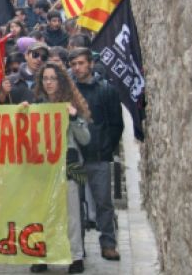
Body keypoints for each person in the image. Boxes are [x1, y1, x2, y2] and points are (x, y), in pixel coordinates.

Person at [29, 63, 91, 274]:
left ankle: (76, 257)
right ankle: (40, 255)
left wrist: (74, 117)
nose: (48, 82)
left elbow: (85, 138)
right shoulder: (37, 104)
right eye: (45, 78)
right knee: (42, 212)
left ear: (61, 81)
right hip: (43, 165)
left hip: (70, 163)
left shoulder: (71, 104)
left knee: (72, 213)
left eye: (52, 78)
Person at [69, 48, 124, 262]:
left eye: (81, 63)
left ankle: (108, 243)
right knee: (76, 206)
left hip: (98, 156)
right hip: (74, 158)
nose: (77, 67)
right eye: (73, 64)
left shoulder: (106, 90)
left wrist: (105, 148)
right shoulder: (68, 92)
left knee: (103, 202)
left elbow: (115, 124)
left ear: (90, 64)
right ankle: (78, 248)